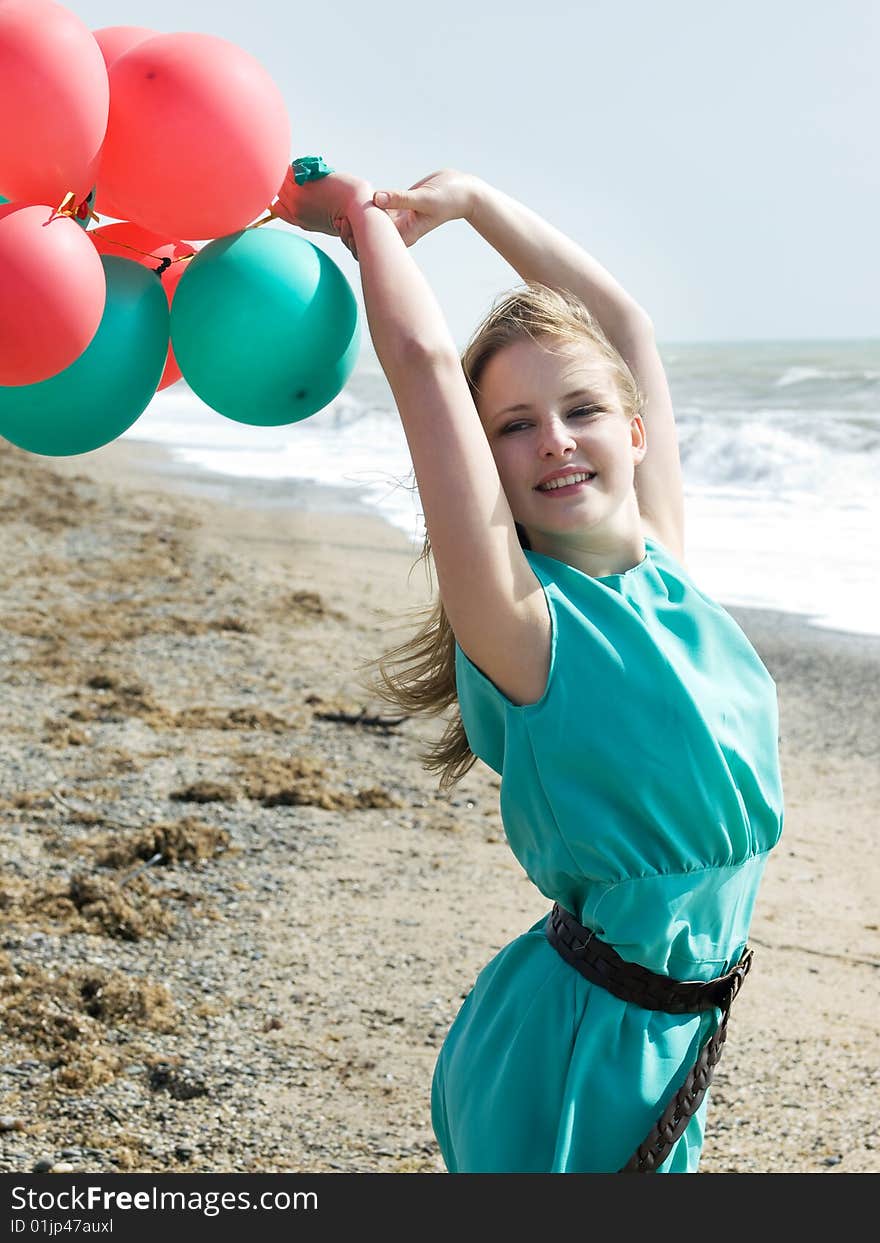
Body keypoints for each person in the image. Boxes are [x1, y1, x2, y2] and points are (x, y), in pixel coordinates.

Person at [274, 165, 785, 1174]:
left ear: (632, 431)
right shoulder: (520, 626)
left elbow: (626, 326)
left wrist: (472, 202)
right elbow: (422, 362)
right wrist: (358, 221)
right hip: (575, 1051)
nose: (553, 438)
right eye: (512, 425)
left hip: (671, 1034)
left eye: (580, 410)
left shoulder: (666, 567)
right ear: (490, 459)